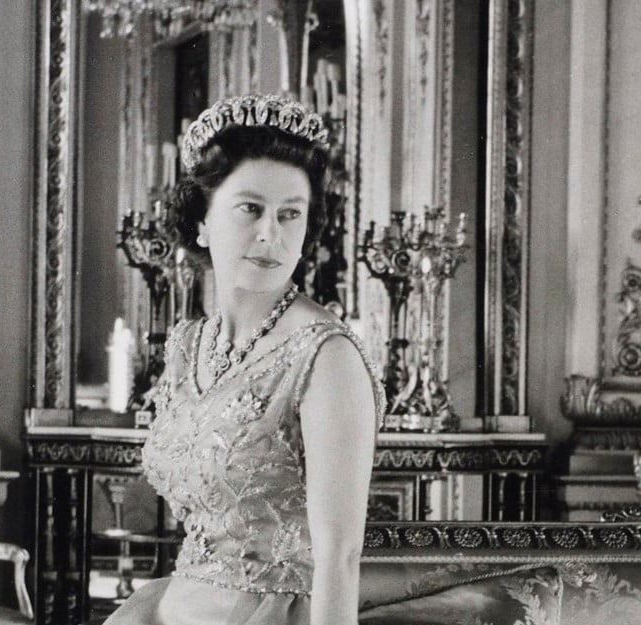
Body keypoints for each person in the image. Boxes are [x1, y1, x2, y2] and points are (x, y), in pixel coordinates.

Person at [103, 94, 383, 625]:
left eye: (289, 214)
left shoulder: (327, 357)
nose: (269, 234)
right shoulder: (188, 346)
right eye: (250, 209)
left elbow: (340, 557)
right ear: (202, 223)